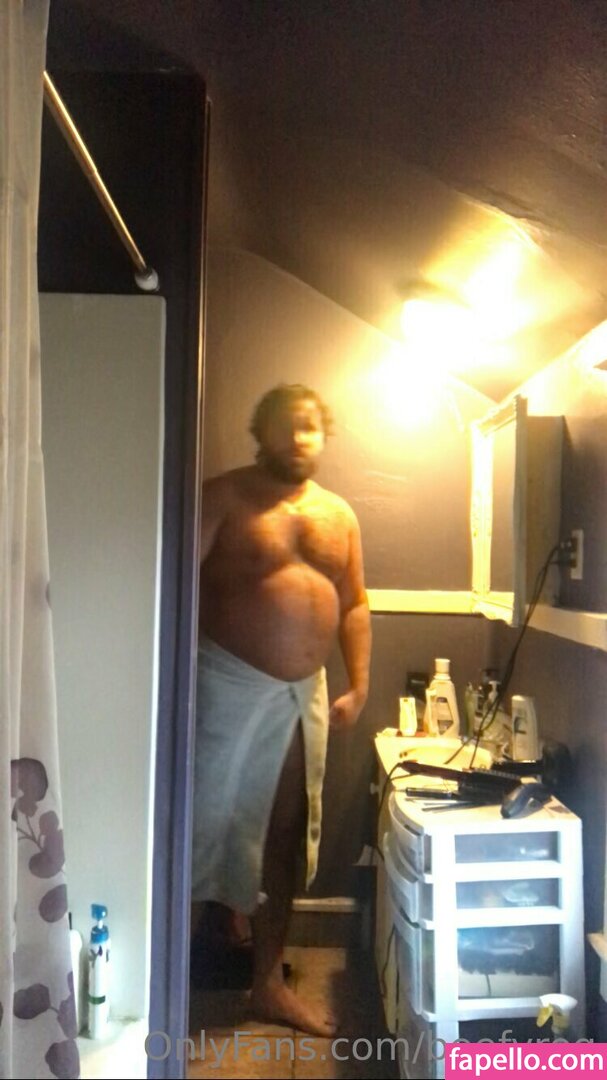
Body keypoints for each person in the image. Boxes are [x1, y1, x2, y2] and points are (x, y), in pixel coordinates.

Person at [191, 383, 371, 1036]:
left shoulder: (338, 514)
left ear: (324, 437)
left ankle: (266, 985)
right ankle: (166, 968)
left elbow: (354, 602)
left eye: (310, 426)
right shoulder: (219, 497)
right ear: (259, 433)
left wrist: (359, 685)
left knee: (287, 832)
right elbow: (170, 581)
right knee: (200, 825)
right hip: (225, 686)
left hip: (303, 695)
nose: (298, 438)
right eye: (285, 425)